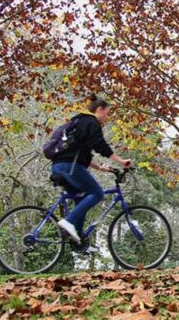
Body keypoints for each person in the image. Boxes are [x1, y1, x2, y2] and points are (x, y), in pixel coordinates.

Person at [51, 96, 132, 247]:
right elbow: (100, 145)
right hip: (70, 166)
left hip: (61, 165)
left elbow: (81, 155)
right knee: (97, 193)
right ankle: (68, 222)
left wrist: (101, 168)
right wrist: (121, 161)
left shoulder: (80, 123)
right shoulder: (91, 122)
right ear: (99, 110)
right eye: (107, 114)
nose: (107, 119)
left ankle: (77, 238)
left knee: (81, 199)